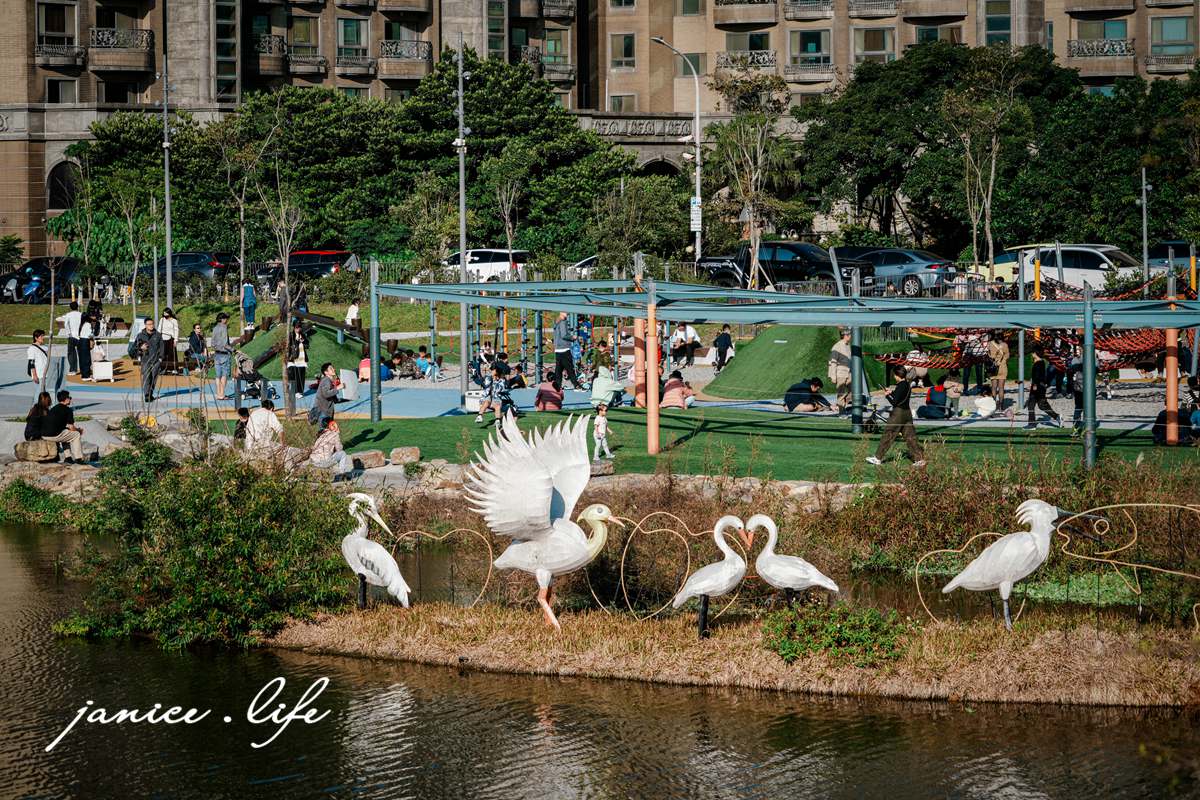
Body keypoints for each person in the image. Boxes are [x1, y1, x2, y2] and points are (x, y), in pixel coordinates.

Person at [867, 365, 925, 467]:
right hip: (907, 413)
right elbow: (900, 396)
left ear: (898, 375)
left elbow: (894, 402)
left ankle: (878, 458)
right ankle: (919, 459)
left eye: (895, 375)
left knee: (888, 434)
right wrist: (891, 392)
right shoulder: (907, 384)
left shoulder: (900, 385)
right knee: (910, 436)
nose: (894, 376)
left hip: (898, 413)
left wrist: (887, 395)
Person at [42, 390, 84, 463]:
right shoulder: (68, 410)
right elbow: (72, 428)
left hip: (43, 435)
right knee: (76, 434)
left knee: (66, 432)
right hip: (54, 435)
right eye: (70, 398)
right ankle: (79, 458)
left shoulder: (53, 408)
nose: (71, 399)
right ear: (66, 399)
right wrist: (79, 430)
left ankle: (68, 457)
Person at [1025, 346, 1062, 430]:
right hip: (1038, 386)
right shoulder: (1039, 362)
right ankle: (1032, 424)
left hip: (1038, 387)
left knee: (1041, 405)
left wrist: (1034, 385)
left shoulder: (1039, 363)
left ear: (1035, 353)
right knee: (1033, 405)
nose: (1032, 354)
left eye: (1033, 353)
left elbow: (1037, 376)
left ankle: (1056, 417)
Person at [134, 317, 163, 403]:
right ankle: (146, 395)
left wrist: (160, 358)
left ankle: (150, 393)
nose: (151, 326)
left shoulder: (158, 335)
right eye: (149, 324)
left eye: (152, 324)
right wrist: (140, 347)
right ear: (145, 325)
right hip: (145, 359)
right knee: (147, 378)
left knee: (154, 377)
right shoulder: (140, 335)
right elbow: (135, 347)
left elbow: (162, 347)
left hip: (156, 360)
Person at [552, 312, 580, 391]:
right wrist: (573, 337)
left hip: (558, 348)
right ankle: (576, 385)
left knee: (558, 369)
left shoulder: (556, 322)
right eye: (566, 312)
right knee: (570, 368)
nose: (567, 313)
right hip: (564, 348)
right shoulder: (563, 322)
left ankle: (558, 386)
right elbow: (564, 335)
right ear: (561, 312)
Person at [827, 329, 852, 413]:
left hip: (849, 373)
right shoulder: (836, 346)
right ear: (845, 335)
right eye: (850, 335)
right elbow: (832, 362)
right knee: (840, 394)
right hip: (840, 373)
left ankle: (842, 405)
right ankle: (841, 412)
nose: (851, 336)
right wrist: (833, 376)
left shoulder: (848, 345)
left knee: (854, 391)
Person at [286, 320, 309, 399]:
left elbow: (307, 345)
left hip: (302, 358)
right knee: (294, 375)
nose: (298, 329)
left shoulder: (303, 335)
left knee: (301, 375)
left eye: (299, 327)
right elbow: (289, 346)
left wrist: (304, 341)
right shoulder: (291, 335)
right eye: (296, 327)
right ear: (294, 327)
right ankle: (295, 391)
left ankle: (300, 391)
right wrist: (297, 341)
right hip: (294, 358)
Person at [212, 312, 233, 400]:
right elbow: (225, 344)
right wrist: (233, 350)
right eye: (226, 319)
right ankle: (222, 394)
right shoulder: (224, 328)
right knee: (224, 375)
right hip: (224, 354)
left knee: (217, 375)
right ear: (223, 319)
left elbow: (212, 343)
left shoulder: (215, 328)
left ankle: (218, 394)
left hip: (217, 354)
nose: (227, 320)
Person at [57, 301, 82, 375]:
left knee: (71, 353)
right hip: (80, 336)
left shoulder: (68, 315)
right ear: (77, 307)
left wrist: (69, 333)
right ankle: (83, 369)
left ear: (70, 308)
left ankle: (73, 370)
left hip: (71, 336)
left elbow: (66, 324)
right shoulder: (81, 314)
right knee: (81, 353)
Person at [987, 331, 1009, 409]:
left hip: (993, 367)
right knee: (1001, 388)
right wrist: (1001, 361)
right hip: (1002, 367)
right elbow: (1007, 356)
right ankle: (1001, 406)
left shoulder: (990, 344)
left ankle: (993, 405)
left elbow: (989, 355)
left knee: (993, 387)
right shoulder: (1005, 345)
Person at [27, 329, 49, 398]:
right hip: (39, 374)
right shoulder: (32, 349)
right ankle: (34, 407)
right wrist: (34, 375)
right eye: (41, 336)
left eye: (43, 336)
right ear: (36, 338)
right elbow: (31, 363)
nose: (43, 338)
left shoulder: (45, 347)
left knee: (44, 392)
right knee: (39, 392)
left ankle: (42, 407)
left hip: (46, 373)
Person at [158, 308, 180, 375]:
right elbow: (159, 328)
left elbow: (176, 330)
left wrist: (175, 340)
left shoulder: (174, 321)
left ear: (169, 313)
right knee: (163, 354)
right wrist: (158, 337)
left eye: (166, 313)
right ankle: (163, 368)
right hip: (163, 338)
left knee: (172, 354)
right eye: (164, 313)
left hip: (171, 338)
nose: (165, 315)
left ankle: (174, 369)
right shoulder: (162, 320)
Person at [75, 313, 94, 381]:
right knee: (86, 359)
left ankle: (84, 374)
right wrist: (93, 335)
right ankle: (86, 376)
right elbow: (90, 334)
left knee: (82, 359)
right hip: (85, 341)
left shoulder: (81, 324)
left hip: (80, 341)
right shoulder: (88, 324)